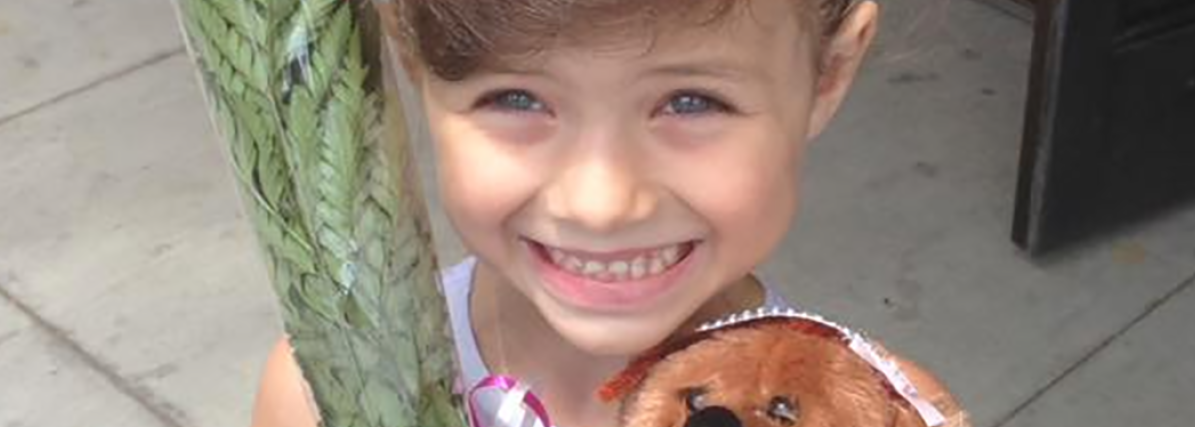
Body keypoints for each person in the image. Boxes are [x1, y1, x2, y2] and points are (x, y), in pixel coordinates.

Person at [252, 1, 968, 427]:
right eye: (517, 98)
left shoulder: (869, 410)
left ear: (830, 71)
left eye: (691, 101)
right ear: (414, 69)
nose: (600, 204)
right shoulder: (322, 394)